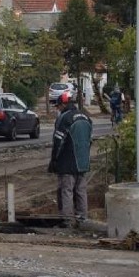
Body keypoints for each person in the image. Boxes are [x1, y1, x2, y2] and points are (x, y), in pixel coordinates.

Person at [49, 91, 93, 222]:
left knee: (66, 190)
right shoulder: (86, 117)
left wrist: (54, 160)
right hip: (84, 162)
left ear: (62, 104)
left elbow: (58, 141)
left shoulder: (64, 118)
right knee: (81, 190)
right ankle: (83, 219)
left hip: (67, 162)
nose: (58, 109)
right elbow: (89, 140)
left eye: (58, 106)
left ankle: (67, 220)